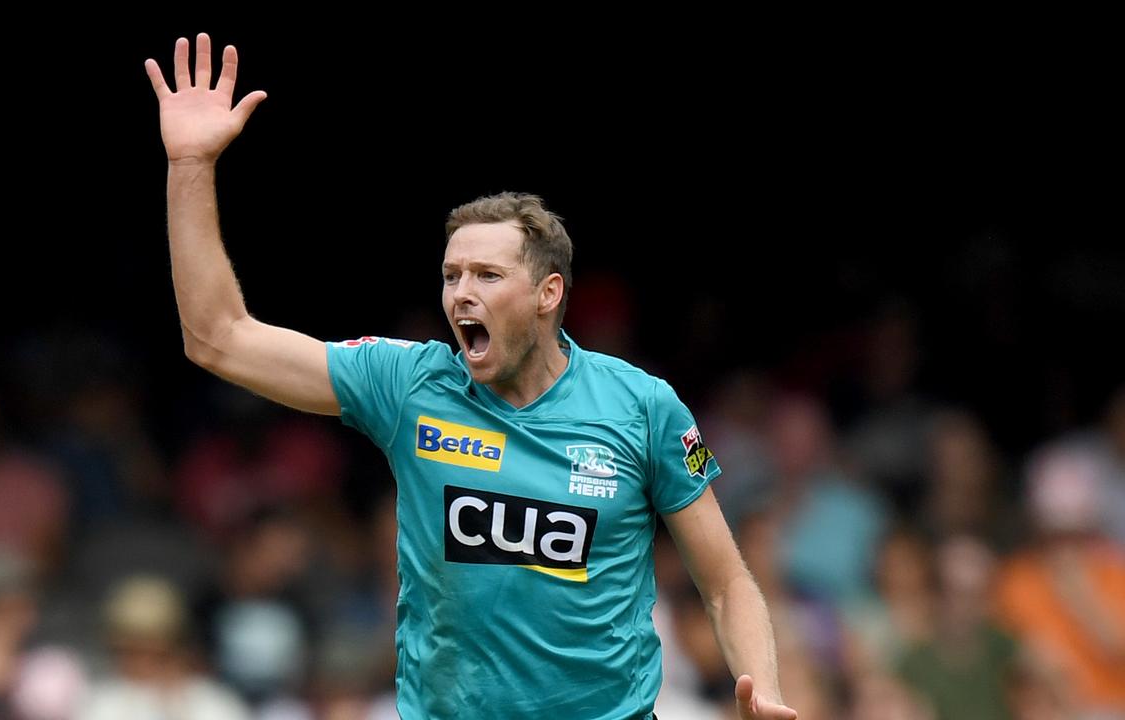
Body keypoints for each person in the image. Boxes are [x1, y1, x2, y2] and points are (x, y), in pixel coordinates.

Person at [145, 33, 797, 720]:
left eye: (487, 275)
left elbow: (725, 583)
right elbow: (217, 338)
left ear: (548, 294)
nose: (461, 293)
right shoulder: (405, 385)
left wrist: (764, 685)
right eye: (452, 275)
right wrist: (190, 164)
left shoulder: (642, 406)